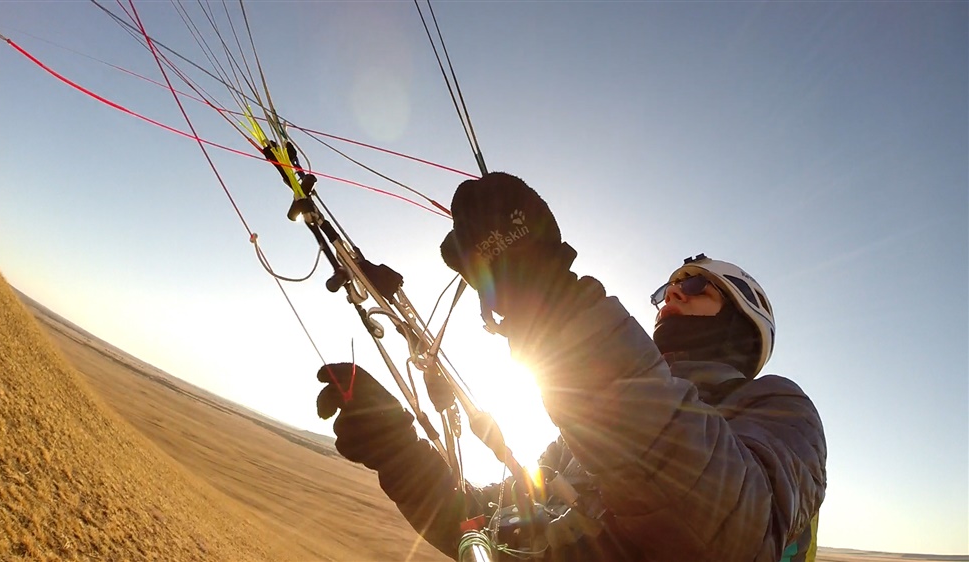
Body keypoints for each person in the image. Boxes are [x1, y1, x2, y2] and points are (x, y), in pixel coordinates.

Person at [315, 173, 827, 561]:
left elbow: (731, 528)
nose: (673, 293)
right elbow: (481, 526)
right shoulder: (573, 445)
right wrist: (396, 448)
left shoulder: (777, 406)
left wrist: (554, 306)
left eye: (694, 285)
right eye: (666, 287)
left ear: (745, 319)